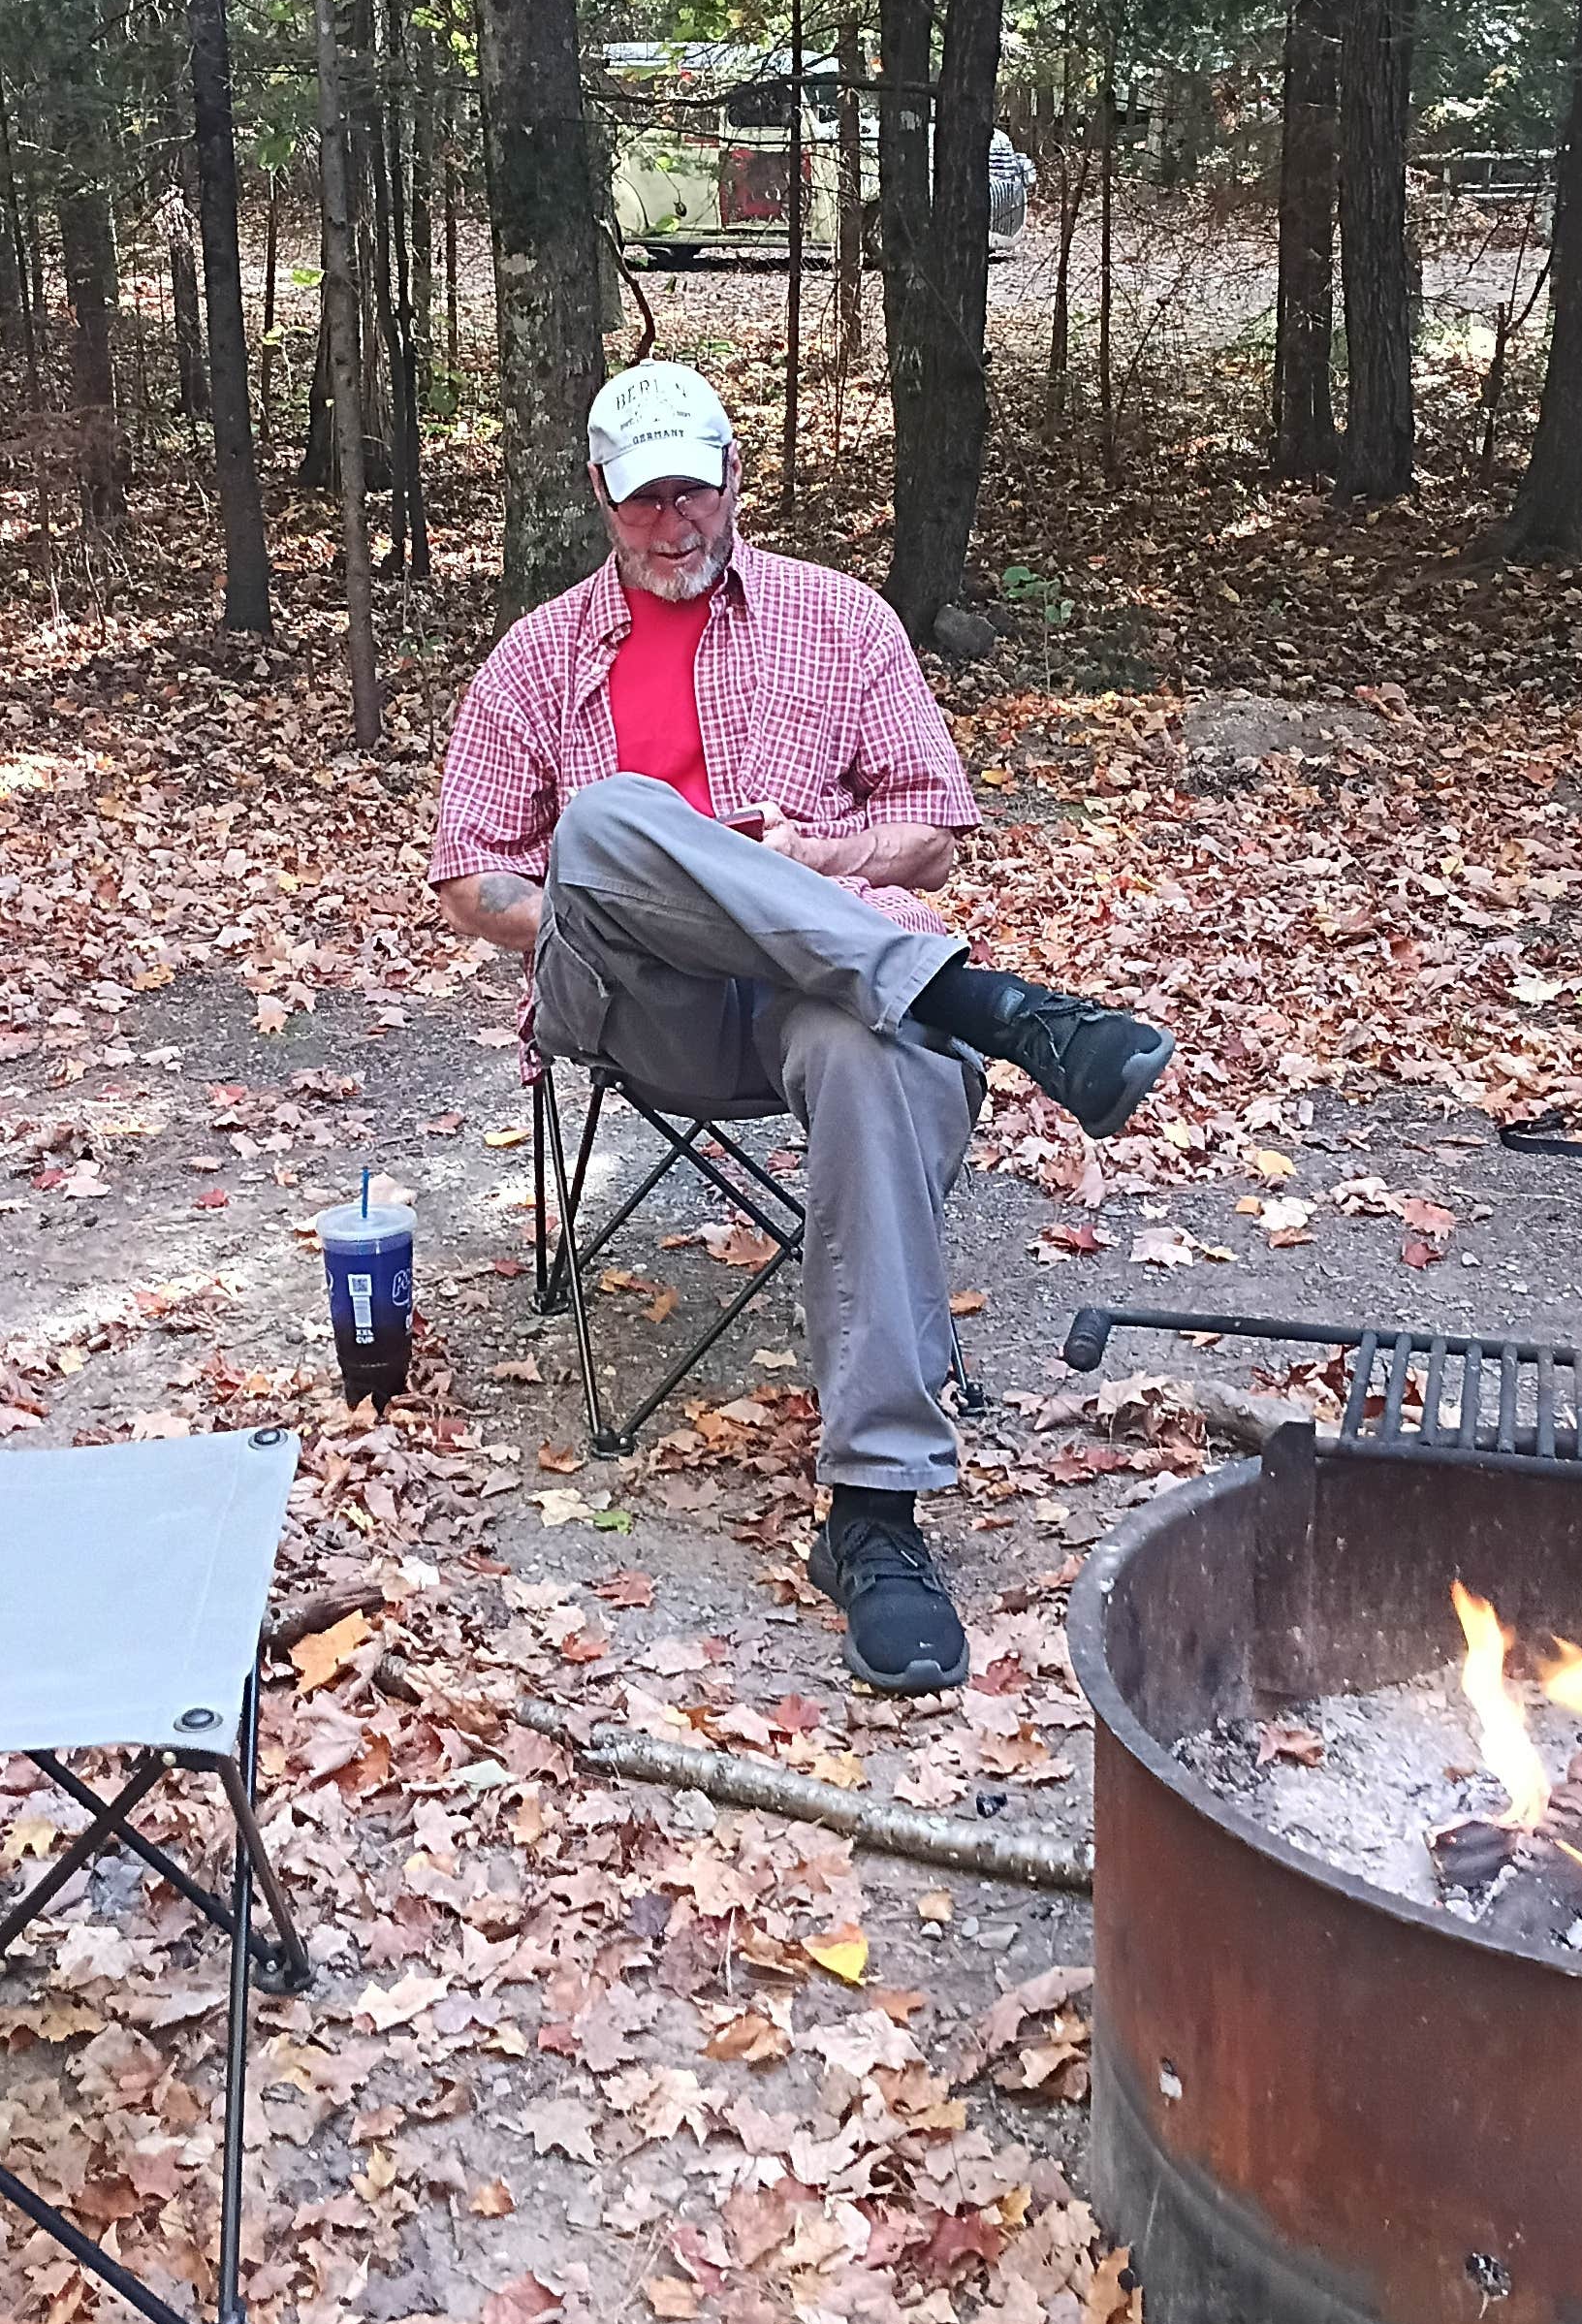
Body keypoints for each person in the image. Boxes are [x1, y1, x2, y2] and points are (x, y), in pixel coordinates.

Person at [429, 359, 1172, 1696]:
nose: (676, 523)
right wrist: (641, 907)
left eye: (695, 491)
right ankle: (992, 1009)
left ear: (734, 480)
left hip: (815, 997)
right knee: (608, 822)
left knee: (870, 1052)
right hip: (632, 1002)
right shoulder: (538, 655)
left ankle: (876, 1515)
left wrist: (819, 859)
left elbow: (935, 835)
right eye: (646, 499)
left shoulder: (839, 620)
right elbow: (472, 878)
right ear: (602, 498)